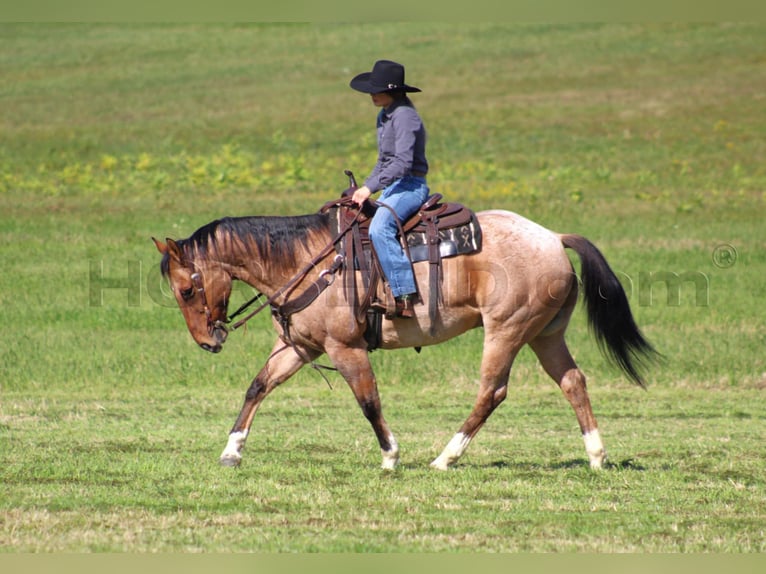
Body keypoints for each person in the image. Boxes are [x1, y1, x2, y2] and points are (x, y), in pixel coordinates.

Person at [349, 59, 429, 319]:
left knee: (380, 228)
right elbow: (383, 161)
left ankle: (404, 295)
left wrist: (370, 187)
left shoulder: (405, 117)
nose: (372, 94)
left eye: (377, 89)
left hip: (410, 185)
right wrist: (364, 188)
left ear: (391, 90)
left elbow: (403, 163)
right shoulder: (385, 115)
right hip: (393, 185)